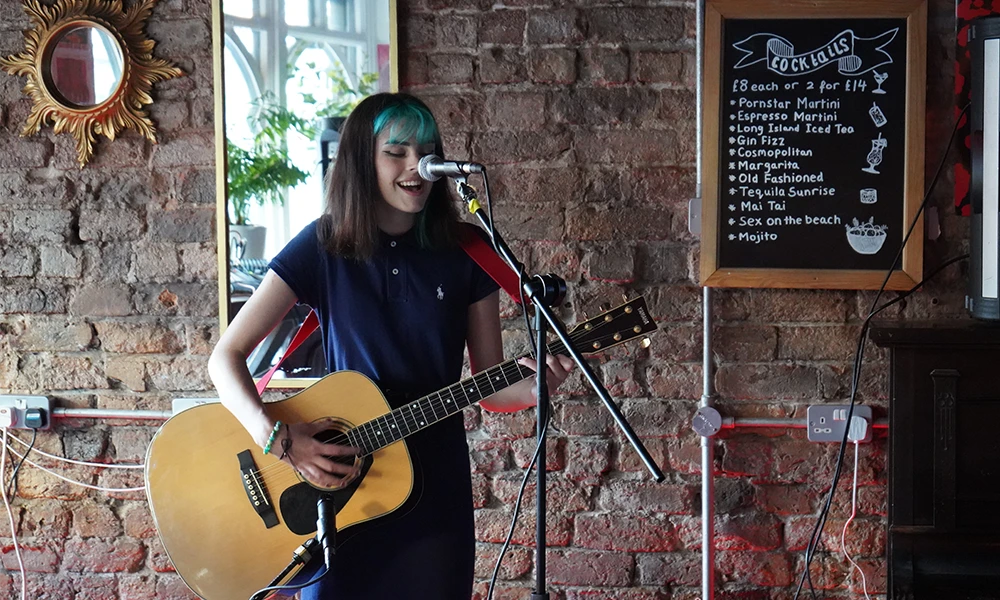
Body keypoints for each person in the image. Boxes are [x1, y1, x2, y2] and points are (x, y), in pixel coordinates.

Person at [207, 92, 574, 600]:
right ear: (362, 159)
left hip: (435, 490)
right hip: (341, 492)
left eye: (426, 151)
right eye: (396, 152)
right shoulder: (324, 245)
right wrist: (278, 438)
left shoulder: (468, 252)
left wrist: (538, 386)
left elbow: (490, 387)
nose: (417, 166)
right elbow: (224, 359)